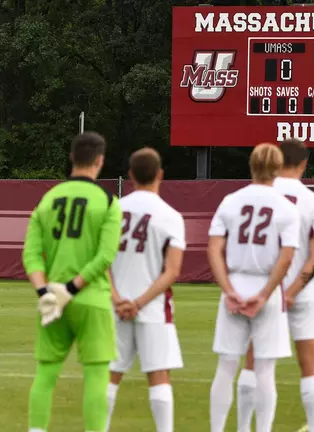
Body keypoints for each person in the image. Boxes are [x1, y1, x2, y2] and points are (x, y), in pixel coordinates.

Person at [22, 132, 123, 432]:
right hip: (91, 299)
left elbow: (30, 254)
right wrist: (72, 288)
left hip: (52, 300)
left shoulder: (46, 199)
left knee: (45, 374)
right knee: (96, 376)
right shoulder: (108, 201)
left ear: (71, 158)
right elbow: (105, 256)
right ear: (99, 161)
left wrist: (45, 291)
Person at [235, 139, 314, 432]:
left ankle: (245, 428)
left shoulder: (259, 195)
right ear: (304, 163)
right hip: (303, 293)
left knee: (254, 363)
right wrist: (292, 291)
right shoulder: (312, 201)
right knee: (311, 366)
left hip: (263, 292)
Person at [207, 143, 300, 432]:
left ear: (251, 165)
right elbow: (286, 258)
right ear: (278, 168)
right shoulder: (286, 207)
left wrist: (228, 289)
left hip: (236, 282)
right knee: (265, 371)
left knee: (226, 367)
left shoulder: (230, 201)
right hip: (266, 288)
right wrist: (264, 295)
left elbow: (213, 248)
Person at [106, 148, 185, 432]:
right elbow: (172, 271)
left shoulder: (112, 211)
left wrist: (118, 299)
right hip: (153, 307)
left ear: (130, 175)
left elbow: (101, 263)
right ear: (160, 174)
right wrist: (138, 303)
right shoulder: (171, 216)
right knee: (159, 376)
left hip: (114, 307)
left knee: (109, 376)